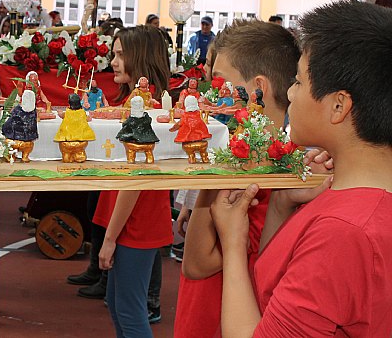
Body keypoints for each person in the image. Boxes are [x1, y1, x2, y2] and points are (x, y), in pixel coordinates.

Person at [211, 0, 392, 337]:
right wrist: (280, 206)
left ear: (338, 106)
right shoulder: (346, 196)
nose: (291, 95)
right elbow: (275, 291)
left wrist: (233, 244)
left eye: (298, 82)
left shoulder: (344, 231)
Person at [175, 19, 302, 338]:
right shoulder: (269, 155)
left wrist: (210, 182)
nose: (211, 92)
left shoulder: (255, 163)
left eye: (219, 83)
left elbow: (196, 263)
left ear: (257, 88)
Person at [95, 25, 173, 335]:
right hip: (131, 217)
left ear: (138, 58)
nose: (113, 61)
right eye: (113, 54)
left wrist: (111, 237)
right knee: (119, 305)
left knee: (129, 310)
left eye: (120, 55)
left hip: (135, 220)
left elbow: (135, 179)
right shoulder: (137, 102)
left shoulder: (145, 108)